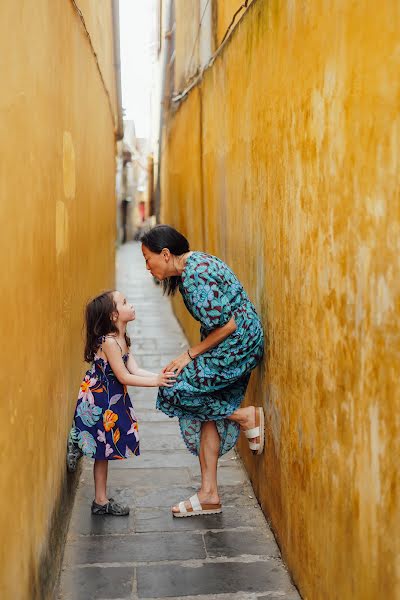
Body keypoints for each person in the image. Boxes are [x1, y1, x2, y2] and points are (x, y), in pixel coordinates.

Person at [141, 225, 265, 518]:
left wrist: (190, 354)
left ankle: (245, 416)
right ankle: (209, 494)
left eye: (148, 259)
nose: (147, 266)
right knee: (204, 409)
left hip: (239, 345)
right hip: (234, 344)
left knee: (173, 387)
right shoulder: (192, 268)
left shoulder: (195, 276)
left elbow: (227, 325)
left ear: (166, 254)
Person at [66, 290, 175, 516]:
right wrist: (156, 381)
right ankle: (77, 440)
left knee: (104, 450)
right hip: (98, 398)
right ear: (114, 316)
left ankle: (100, 501)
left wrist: (159, 377)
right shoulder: (109, 343)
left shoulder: (122, 339)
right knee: (101, 447)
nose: (131, 304)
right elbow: (124, 376)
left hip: (112, 397)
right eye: (125, 302)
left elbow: (134, 369)